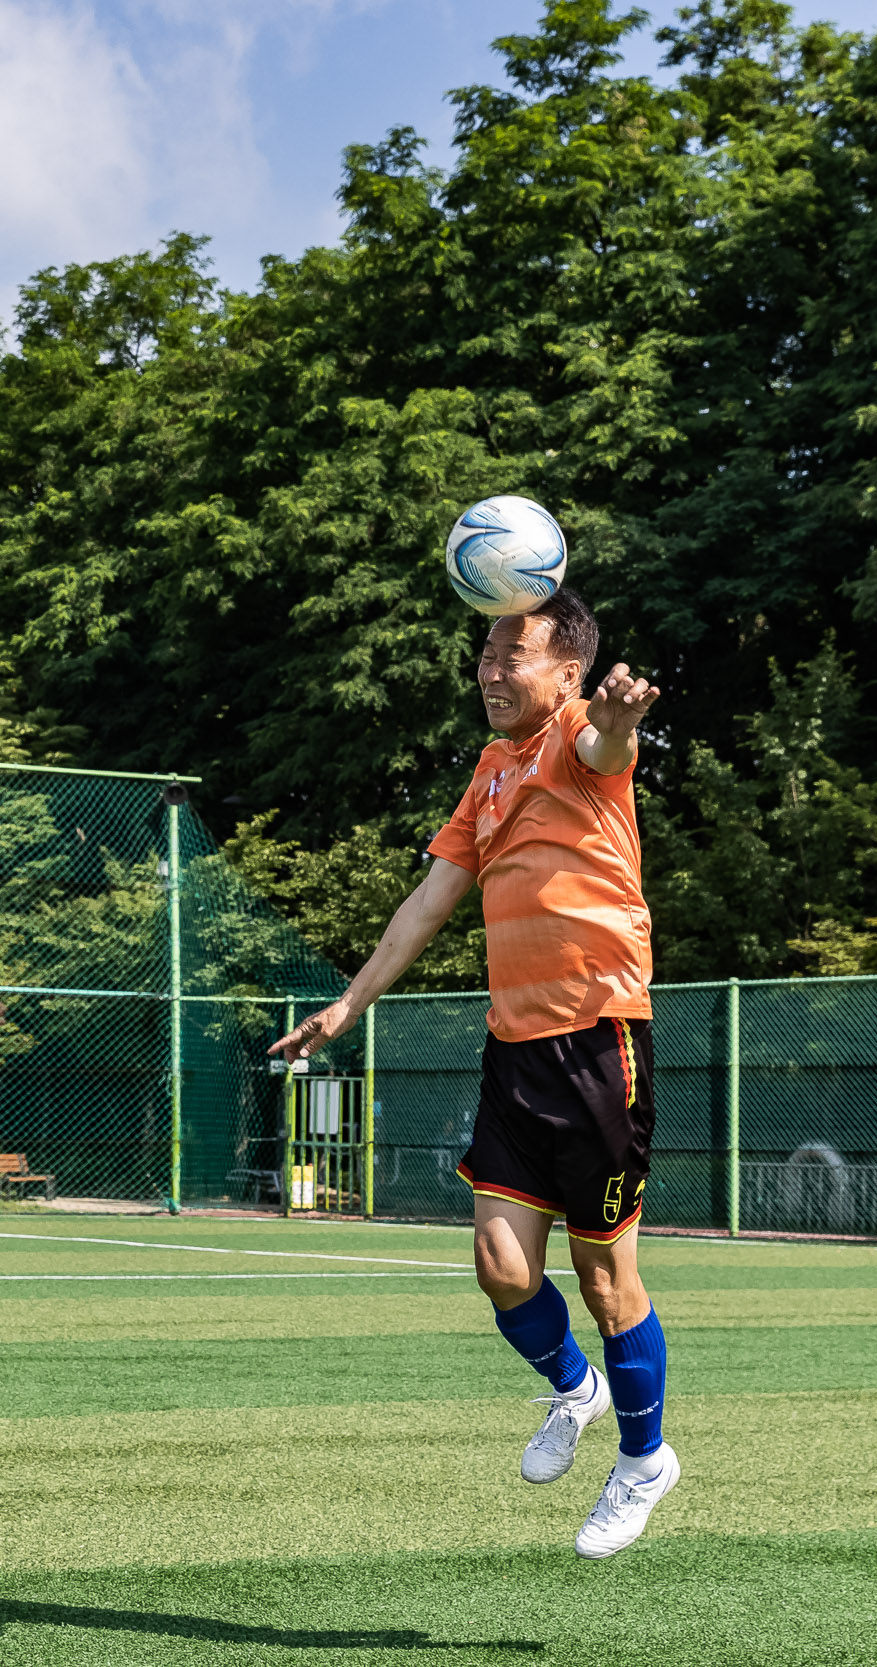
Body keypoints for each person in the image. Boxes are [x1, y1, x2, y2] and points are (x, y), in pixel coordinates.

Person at [269, 589, 674, 1558]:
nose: (489, 671)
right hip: (516, 1047)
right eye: (484, 653)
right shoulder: (490, 773)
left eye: (512, 654)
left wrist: (618, 725)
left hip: (598, 1042)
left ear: (567, 672)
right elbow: (426, 901)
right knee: (500, 1267)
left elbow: (606, 752)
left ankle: (645, 1458)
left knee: (604, 1272)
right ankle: (574, 1389)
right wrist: (348, 1001)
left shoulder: (578, 732)